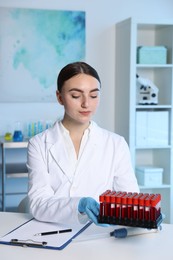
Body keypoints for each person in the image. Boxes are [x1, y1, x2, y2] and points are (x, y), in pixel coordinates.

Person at [27, 61, 139, 226]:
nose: (86, 103)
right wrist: (77, 205)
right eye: (76, 96)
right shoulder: (39, 144)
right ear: (59, 97)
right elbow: (38, 204)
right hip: (52, 231)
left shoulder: (116, 144)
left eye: (93, 95)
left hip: (101, 234)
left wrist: (145, 215)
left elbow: (130, 201)